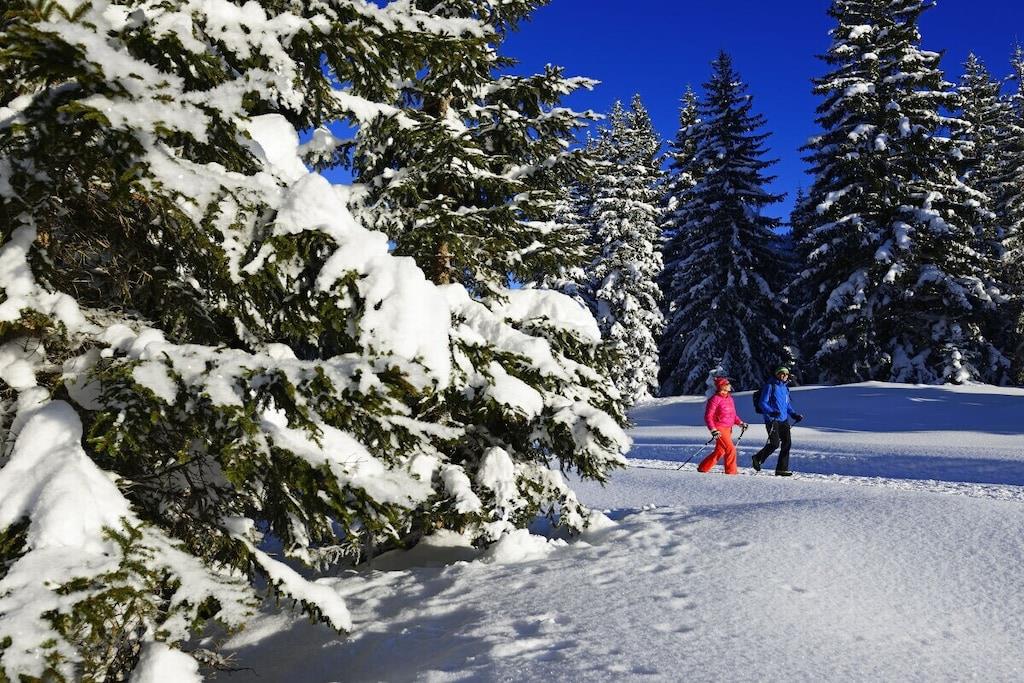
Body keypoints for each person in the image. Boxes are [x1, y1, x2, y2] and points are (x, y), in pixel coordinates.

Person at [751, 366, 804, 476]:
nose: (784, 375)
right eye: (782, 373)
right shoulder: (770, 386)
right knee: (774, 444)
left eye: (786, 374)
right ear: (777, 374)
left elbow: (787, 405)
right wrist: (771, 412)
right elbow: (762, 403)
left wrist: (794, 415)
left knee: (787, 443)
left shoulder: (785, 389)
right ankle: (757, 458)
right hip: (772, 420)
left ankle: (781, 469)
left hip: (784, 420)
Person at [698, 377, 748, 475]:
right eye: (727, 384)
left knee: (720, 451)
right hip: (719, 428)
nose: (730, 385)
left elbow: (733, 415)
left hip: (728, 428)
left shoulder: (729, 398)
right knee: (731, 449)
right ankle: (731, 473)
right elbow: (708, 416)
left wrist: (740, 423)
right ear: (722, 386)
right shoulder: (715, 399)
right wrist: (713, 429)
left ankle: (703, 468)